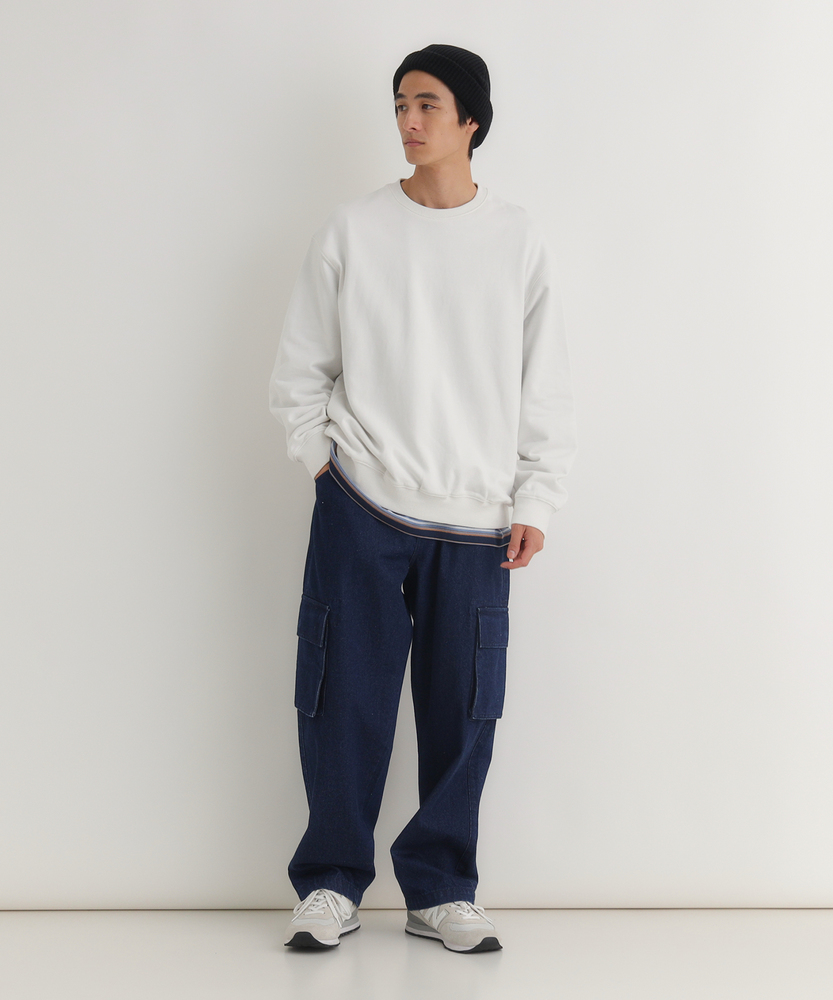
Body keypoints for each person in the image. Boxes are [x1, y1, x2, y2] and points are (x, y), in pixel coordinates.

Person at [269, 43, 577, 954]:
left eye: (428, 104)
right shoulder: (353, 230)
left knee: (465, 707)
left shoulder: (517, 239)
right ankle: (330, 884)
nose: (408, 120)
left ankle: (441, 890)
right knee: (341, 698)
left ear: (470, 120)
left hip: (477, 517)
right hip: (360, 502)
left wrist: (537, 499)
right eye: (400, 104)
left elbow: (545, 385)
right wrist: (321, 462)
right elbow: (300, 367)